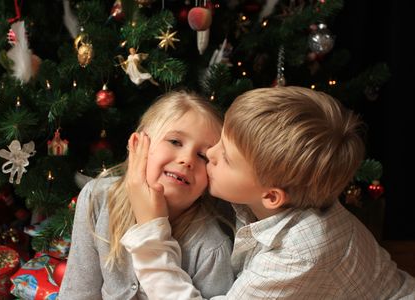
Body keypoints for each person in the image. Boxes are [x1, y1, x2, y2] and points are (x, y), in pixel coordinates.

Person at [121, 86, 415, 299]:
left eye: (226, 158)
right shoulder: (290, 189)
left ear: (271, 197)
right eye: (221, 141)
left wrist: (150, 233)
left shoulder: (301, 252)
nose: (209, 152)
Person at [59, 90, 234, 299]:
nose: (187, 159)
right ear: (138, 145)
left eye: (202, 156)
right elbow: (79, 292)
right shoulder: (97, 197)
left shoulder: (211, 248)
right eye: (175, 142)